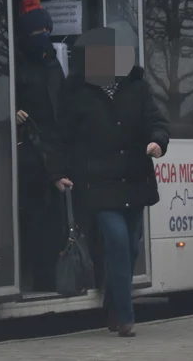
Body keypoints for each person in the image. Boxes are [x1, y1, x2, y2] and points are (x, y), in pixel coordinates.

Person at [45, 25, 169, 337]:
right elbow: (60, 138)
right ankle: (126, 317)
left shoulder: (137, 87)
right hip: (97, 182)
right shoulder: (76, 94)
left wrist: (158, 142)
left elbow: (156, 121)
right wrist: (58, 173)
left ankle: (114, 306)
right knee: (116, 241)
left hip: (134, 178)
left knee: (129, 250)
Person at [13, 0, 67, 292]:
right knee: (36, 217)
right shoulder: (14, 65)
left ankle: (52, 276)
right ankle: (39, 275)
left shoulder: (52, 63)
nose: (43, 37)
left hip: (56, 150)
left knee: (55, 220)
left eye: (47, 30)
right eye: (37, 32)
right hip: (32, 153)